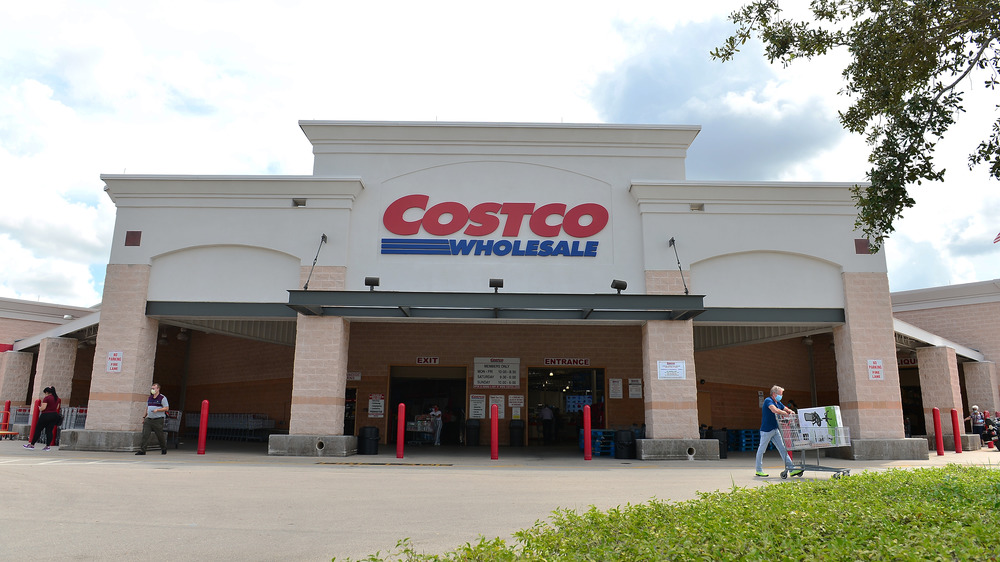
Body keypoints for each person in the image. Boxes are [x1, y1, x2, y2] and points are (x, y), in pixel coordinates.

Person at [755, 385, 803, 477]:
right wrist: (783, 412)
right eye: (780, 394)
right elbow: (774, 410)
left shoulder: (778, 402)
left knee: (782, 449)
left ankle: (791, 469)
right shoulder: (768, 401)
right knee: (761, 450)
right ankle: (758, 470)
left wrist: (790, 411)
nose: (781, 396)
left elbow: (785, 408)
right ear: (774, 394)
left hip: (775, 430)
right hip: (766, 431)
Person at [23, 386, 61, 451]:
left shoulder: (47, 398)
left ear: (47, 392)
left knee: (38, 430)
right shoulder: (57, 398)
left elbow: (43, 407)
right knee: (49, 431)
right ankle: (47, 446)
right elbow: (57, 407)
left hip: (45, 415)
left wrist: (40, 408)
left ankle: (32, 445)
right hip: (54, 415)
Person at [136, 382, 169, 455]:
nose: (152, 390)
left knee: (160, 435)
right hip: (149, 419)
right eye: (152, 388)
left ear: (158, 389)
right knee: (145, 434)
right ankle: (142, 450)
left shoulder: (162, 398)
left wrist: (158, 410)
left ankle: (163, 448)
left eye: (154, 388)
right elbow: (147, 408)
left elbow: (166, 408)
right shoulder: (150, 398)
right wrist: (144, 417)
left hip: (158, 420)